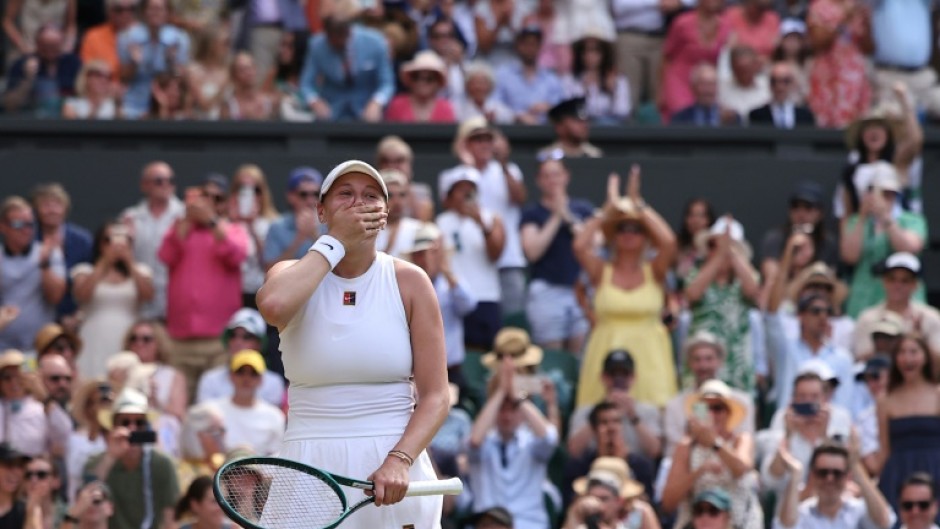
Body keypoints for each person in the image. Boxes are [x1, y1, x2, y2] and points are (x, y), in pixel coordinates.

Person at [256, 160, 449, 526]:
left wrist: (399, 460)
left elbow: (437, 396)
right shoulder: (286, 275)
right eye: (345, 194)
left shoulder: (411, 282)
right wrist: (336, 243)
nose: (358, 203)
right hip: (307, 463)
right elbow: (274, 306)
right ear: (321, 211)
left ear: (385, 212)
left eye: (370, 196)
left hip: (393, 465)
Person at [573, 167, 677, 407]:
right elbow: (579, 246)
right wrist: (606, 211)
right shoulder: (601, 270)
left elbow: (669, 242)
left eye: (636, 229)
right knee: (603, 414)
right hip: (605, 350)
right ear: (614, 236)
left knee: (652, 417)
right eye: (622, 228)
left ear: (645, 236)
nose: (629, 234)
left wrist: (639, 205)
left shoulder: (655, 270)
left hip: (651, 356)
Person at [158, 183, 249, 397]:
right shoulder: (180, 228)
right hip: (180, 339)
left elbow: (236, 254)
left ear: (224, 204)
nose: (209, 203)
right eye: (204, 197)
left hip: (218, 340)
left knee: (217, 404)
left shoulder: (233, 229)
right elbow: (165, 256)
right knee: (177, 405)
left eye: (217, 198)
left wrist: (211, 221)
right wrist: (187, 221)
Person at [468, 355, 559, 529]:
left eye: (513, 408)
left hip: (528, 524)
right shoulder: (484, 439)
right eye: (502, 408)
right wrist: (501, 391)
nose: (507, 416)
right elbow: (474, 441)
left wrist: (517, 396)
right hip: (489, 524)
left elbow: (549, 438)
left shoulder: (532, 443)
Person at [661, 379, 762, 529]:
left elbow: (742, 468)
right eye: (705, 407)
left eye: (717, 408)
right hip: (699, 521)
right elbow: (668, 502)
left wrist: (715, 443)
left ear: (728, 412)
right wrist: (699, 472)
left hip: (739, 521)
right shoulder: (686, 446)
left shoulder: (741, 440)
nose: (711, 414)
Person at [520, 156, 593, 352]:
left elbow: (593, 243)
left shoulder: (583, 209)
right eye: (546, 176)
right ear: (538, 180)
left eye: (556, 174)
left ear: (566, 176)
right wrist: (556, 216)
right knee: (552, 356)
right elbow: (532, 252)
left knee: (581, 355)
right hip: (547, 291)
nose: (552, 180)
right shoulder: (532, 214)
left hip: (581, 291)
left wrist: (567, 216)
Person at [85, 387, 180, 529]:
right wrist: (111, 456)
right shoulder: (96, 463)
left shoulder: (162, 465)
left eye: (139, 423)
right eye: (125, 423)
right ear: (114, 426)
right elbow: (88, 501)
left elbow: (170, 520)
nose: (132, 428)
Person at [840, 162, 926, 318]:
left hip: (904, 303)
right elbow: (849, 256)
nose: (884, 198)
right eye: (878, 193)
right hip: (863, 301)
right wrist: (862, 217)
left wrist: (885, 218)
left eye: (889, 193)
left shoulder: (913, 220)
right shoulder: (855, 221)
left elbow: (909, 248)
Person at [684, 216, 760, 393]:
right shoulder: (696, 273)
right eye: (713, 245)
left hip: (737, 366)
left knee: (737, 415)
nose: (720, 251)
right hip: (701, 364)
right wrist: (719, 255)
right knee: (700, 412)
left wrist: (731, 252)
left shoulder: (743, 278)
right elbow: (692, 294)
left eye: (727, 246)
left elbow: (754, 291)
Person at [435, 164, 506, 350]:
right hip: (456, 300)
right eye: (461, 189)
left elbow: (496, 254)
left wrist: (482, 224)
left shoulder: (492, 218)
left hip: (487, 297)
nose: (467, 194)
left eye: (471, 189)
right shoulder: (440, 223)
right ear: (450, 195)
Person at [72, 222, 155, 379]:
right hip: (94, 337)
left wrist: (129, 262)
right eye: (109, 239)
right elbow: (82, 295)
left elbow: (148, 296)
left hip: (128, 336)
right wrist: (105, 262)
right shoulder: (85, 270)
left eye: (125, 239)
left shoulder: (141, 271)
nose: (116, 245)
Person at [872, 334, 940, 516]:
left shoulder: (937, 394)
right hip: (897, 473)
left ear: (925, 356)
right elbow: (884, 448)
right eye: (901, 352)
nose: (907, 358)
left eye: (913, 352)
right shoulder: (885, 400)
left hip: (935, 469)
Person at [405, 223, 477, 385]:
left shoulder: (450, 284)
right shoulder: (405, 286)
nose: (425, 259)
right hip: (415, 376)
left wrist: (445, 268)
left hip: (450, 372)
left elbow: (468, 305)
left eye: (431, 253)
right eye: (420, 254)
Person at [664, 331, 755, 458]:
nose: (703, 365)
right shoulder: (675, 405)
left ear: (720, 361)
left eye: (709, 359)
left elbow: (745, 450)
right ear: (689, 363)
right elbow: (671, 454)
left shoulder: (742, 401)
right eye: (697, 359)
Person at [299, 5, 394, 122]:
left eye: (341, 37)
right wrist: (315, 101)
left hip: (367, 115)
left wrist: (377, 102)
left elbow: (387, 84)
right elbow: (306, 84)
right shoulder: (317, 45)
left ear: (349, 30)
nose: (338, 42)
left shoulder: (376, 42)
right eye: (333, 38)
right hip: (330, 117)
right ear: (326, 34)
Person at [775, 440, 895, 529]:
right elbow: (785, 526)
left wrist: (856, 468)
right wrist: (796, 474)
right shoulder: (803, 513)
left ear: (847, 476)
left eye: (837, 473)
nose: (830, 479)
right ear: (813, 475)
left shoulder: (857, 510)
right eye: (823, 473)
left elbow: (885, 521)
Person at [568, 350, 662, 461]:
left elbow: (655, 451)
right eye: (613, 374)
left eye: (624, 374)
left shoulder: (648, 411)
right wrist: (599, 413)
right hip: (594, 468)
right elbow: (573, 450)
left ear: (633, 377)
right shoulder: (585, 411)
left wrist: (633, 417)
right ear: (603, 377)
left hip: (635, 470)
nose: (619, 380)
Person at [0, 196, 67, 352]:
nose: (26, 230)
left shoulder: (50, 254)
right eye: (18, 224)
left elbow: (56, 296)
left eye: (30, 224)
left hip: (38, 348)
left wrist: (44, 264)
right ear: (3, 226)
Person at [121, 161, 185, 320]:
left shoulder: (185, 215)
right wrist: (126, 241)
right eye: (159, 181)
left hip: (177, 303)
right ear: (144, 185)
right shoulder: (130, 217)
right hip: (139, 303)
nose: (165, 185)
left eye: (170, 181)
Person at [853, 253, 940, 367]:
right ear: (883, 281)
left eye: (905, 281)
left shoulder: (930, 317)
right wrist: (882, 344)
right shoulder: (867, 318)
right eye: (892, 279)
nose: (897, 285)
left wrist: (919, 341)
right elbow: (859, 361)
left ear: (915, 285)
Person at [30, 183, 94, 323]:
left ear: (65, 208)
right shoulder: (28, 240)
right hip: (37, 313)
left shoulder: (82, 240)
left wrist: (78, 315)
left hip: (75, 315)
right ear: (36, 210)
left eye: (57, 205)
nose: (52, 210)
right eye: (46, 205)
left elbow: (91, 278)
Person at [116, 0, 191, 119]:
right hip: (135, 102)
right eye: (151, 9)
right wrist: (134, 63)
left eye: (159, 9)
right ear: (144, 12)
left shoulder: (179, 38)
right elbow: (124, 78)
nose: (155, 13)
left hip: (167, 102)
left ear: (167, 12)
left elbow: (181, 80)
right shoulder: (128, 37)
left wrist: (172, 62)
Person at [196, 308, 284, 407]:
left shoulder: (273, 383)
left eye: (247, 337)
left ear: (260, 344)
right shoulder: (210, 380)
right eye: (233, 335)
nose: (238, 342)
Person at [805, 0, 873, 127]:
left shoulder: (856, 6)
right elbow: (818, 43)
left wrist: (868, 24)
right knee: (825, 123)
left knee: (856, 126)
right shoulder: (819, 7)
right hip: (828, 77)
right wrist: (844, 18)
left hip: (854, 79)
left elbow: (869, 49)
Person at [660, 0, 730, 120]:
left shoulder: (726, 26)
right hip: (679, 82)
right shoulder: (682, 23)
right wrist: (661, 91)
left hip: (708, 83)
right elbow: (667, 57)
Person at [208, 350, 285, 456]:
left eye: (253, 373)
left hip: (260, 471)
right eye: (240, 372)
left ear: (261, 379)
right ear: (231, 376)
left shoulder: (275, 416)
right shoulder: (212, 410)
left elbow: (276, 456)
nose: (246, 378)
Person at [3, 25, 81, 117]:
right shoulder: (21, 64)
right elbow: (9, 104)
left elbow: (85, 95)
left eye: (54, 45)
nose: (50, 50)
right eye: (45, 45)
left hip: (68, 120)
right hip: (31, 119)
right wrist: (28, 78)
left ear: (62, 44)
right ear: (37, 44)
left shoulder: (72, 63)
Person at [564, 457, 660, 529]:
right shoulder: (577, 519)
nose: (596, 503)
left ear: (619, 501)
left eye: (603, 498)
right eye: (592, 497)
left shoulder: (640, 511)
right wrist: (574, 514)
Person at [495, 26, 563, 124]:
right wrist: (517, 115)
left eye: (534, 44)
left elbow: (562, 110)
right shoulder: (503, 75)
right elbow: (494, 105)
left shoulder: (551, 79)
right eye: (526, 43)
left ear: (539, 47)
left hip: (546, 133)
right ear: (518, 46)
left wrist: (549, 108)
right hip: (512, 131)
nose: (530, 48)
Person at [561, 33, 631, 124]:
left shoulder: (619, 79)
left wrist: (612, 91)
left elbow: (623, 112)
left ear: (604, 54)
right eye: (585, 51)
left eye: (595, 51)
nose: (590, 56)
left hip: (610, 130)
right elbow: (569, 112)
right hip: (581, 126)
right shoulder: (569, 79)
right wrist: (583, 91)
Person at [263, 167, 323, 268]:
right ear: (290, 196)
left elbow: (341, 266)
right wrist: (300, 238)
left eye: (315, 194)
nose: (310, 200)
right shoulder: (277, 227)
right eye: (303, 194)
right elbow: (269, 268)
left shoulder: (330, 224)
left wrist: (314, 235)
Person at [65, 379, 111, 502]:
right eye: (100, 402)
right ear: (88, 408)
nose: (104, 407)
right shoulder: (75, 440)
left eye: (108, 402)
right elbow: (76, 472)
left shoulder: (122, 439)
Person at [384, 50, 456, 123]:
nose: (422, 82)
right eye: (416, 77)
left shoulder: (445, 108)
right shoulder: (397, 105)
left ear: (437, 82)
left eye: (429, 79)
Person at [79, 0, 137, 80]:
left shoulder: (144, 35)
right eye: (119, 9)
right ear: (108, 11)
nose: (125, 14)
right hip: (103, 88)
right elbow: (88, 73)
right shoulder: (93, 37)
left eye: (131, 9)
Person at [671, 63, 742, 126]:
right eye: (703, 84)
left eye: (712, 84)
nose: (708, 90)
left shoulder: (732, 118)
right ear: (693, 87)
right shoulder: (680, 119)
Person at [748, 61, 815, 128]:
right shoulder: (757, 115)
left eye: (785, 81)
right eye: (775, 81)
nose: (780, 87)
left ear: (793, 84)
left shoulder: (805, 115)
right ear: (769, 85)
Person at [374, 170, 422, 259]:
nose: (397, 202)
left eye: (402, 195)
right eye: (390, 195)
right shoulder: (365, 229)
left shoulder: (418, 229)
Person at [537, 98, 602, 160]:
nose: (584, 125)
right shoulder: (547, 156)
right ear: (559, 126)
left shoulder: (595, 155)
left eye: (585, 121)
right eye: (577, 121)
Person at [717, 45, 770, 119]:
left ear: (755, 65)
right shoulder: (721, 89)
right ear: (732, 67)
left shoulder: (769, 86)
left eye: (747, 69)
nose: (743, 74)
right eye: (739, 70)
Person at [220, 52, 276, 120]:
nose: (248, 72)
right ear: (234, 76)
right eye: (242, 70)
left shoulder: (269, 103)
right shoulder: (228, 106)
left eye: (251, 67)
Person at [22, 455, 66, 529]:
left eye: (41, 475)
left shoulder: (68, 513)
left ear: (56, 482)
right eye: (28, 475)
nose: (34, 480)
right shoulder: (13, 512)